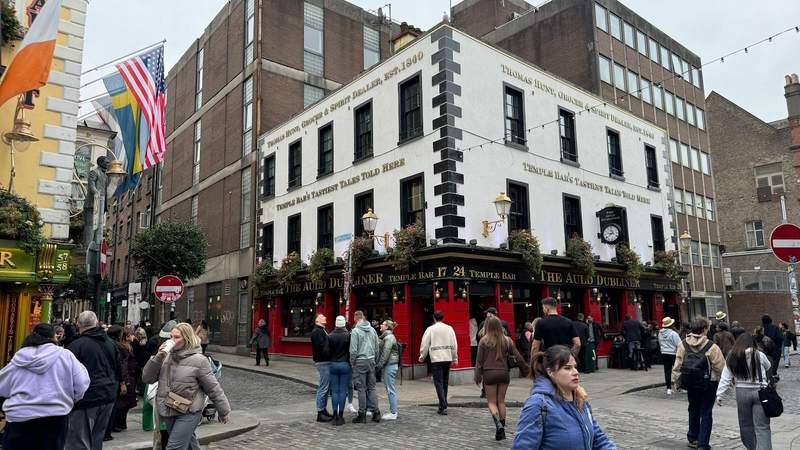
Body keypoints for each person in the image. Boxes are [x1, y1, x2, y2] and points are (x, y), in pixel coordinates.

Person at [0, 324, 90, 450]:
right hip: (55, 416)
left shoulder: (20, 358)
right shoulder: (65, 356)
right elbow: (82, 383)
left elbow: (2, 385)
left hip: (20, 417)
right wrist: (71, 399)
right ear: (54, 337)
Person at [141, 323, 231, 450]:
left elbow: (213, 388)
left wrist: (223, 410)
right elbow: (147, 378)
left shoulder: (199, 360)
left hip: (189, 411)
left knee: (174, 447)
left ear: (187, 339)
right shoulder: (165, 357)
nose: (172, 340)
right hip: (168, 408)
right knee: (189, 444)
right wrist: (157, 357)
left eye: (176, 337)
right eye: (171, 337)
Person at [512, 345, 616, 449]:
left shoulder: (579, 399)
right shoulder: (538, 404)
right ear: (550, 372)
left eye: (575, 367)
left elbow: (598, 439)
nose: (575, 372)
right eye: (567, 368)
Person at [65, 311, 121, 450]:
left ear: (78, 324)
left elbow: (68, 375)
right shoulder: (111, 343)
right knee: (97, 438)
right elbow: (118, 368)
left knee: (79, 441)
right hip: (108, 395)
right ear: (96, 322)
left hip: (86, 398)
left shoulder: (76, 345)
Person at [671, 317, 726, 450]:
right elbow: (720, 366)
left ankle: (692, 437)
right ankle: (703, 444)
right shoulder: (711, 346)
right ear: (704, 329)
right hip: (708, 383)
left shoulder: (683, 344)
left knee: (693, 408)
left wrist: (675, 382)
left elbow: (677, 365)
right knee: (706, 412)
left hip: (690, 381)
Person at [715, 334, 772, 450]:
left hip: (742, 391)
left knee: (745, 424)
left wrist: (719, 394)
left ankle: (751, 447)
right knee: (762, 426)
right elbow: (768, 366)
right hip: (761, 391)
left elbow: (726, 377)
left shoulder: (733, 356)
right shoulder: (759, 354)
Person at [475, 316, 528, 441]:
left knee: (492, 402)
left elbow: (479, 361)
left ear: (487, 327)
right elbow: (518, 357)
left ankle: (498, 425)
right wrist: (526, 369)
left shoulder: (484, 341)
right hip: (504, 373)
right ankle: (502, 430)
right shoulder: (507, 340)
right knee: (501, 401)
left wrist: (478, 375)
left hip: (489, 374)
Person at [419, 310, 458, 415]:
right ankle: (442, 404)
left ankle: (443, 404)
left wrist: (422, 356)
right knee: (445, 382)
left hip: (436, 359)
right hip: (447, 358)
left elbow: (425, 343)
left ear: (434, 318)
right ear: (442, 317)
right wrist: (455, 357)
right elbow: (454, 344)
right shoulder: (449, 328)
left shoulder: (430, 329)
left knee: (438, 382)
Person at [350, 310, 381, 423]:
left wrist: (352, 362)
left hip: (360, 361)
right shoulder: (372, 330)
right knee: (372, 387)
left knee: (361, 388)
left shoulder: (355, 331)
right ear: (363, 317)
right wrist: (375, 360)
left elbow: (353, 350)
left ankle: (362, 414)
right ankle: (376, 412)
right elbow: (377, 347)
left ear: (355, 319)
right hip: (371, 360)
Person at [111, 326, 138, 433]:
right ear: (127, 337)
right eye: (131, 335)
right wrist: (124, 382)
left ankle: (121, 423)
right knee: (123, 403)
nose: (133, 336)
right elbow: (123, 366)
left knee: (126, 403)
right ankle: (118, 424)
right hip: (127, 378)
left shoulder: (128, 346)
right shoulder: (123, 348)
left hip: (130, 376)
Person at [328, 315, 351, 426]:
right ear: (344, 324)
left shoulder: (330, 336)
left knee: (334, 391)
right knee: (342, 391)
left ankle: (334, 414)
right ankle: (341, 416)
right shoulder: (348, 336)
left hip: (333, 364)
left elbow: (326, 351)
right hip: (345, 364)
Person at [310, 314, 332, 422]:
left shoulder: (322, 330)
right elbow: (322, 347)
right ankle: (320, 412)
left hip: (325, 361)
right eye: (323, 317)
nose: (326, 318)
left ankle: (323, 410)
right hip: (323, 362)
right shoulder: (317, 332)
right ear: (317, 320)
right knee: (323, 387)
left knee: (326, 388)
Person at [377, 319, 399, 420]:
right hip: (389, 365)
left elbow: (385, 353)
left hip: (390, 365)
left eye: (383, 324)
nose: (380, 325)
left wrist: (379, 365)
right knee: (390, 388)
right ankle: (393, 411)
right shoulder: (386, 337)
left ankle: (393, 412)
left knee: (390, 389)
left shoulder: (389, 338)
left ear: (387, 327)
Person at [658, 316, 681, 395]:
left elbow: (660, 343)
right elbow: (679, 344)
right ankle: (678, 386)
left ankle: (668, 388)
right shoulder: (673, 333)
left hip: (664, 353)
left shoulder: (660, 333)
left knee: (667, 371)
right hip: (673, 353)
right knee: (677, 370)